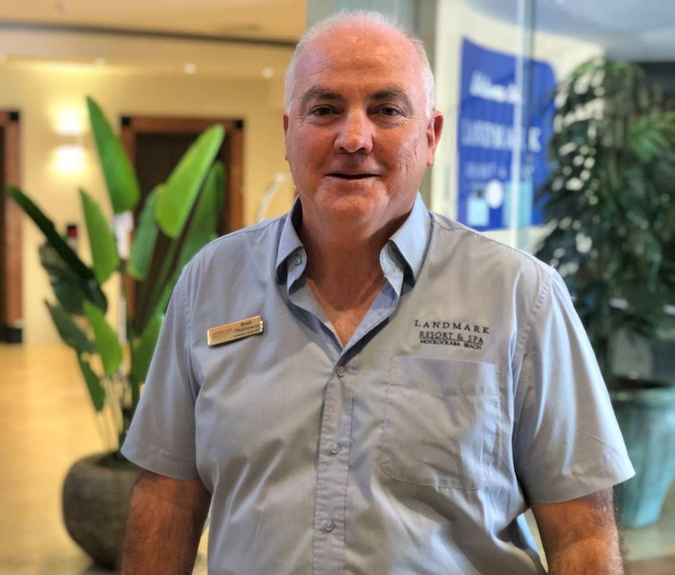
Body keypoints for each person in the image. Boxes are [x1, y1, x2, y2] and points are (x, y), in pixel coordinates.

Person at [120, 10, 635, 575]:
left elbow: (581, 534)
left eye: (387, 110)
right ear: (288, 132)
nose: (354, 138)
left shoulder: (522, 297)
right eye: (325, 110)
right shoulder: (209, 283)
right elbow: (168, 497)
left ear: (431, 136)